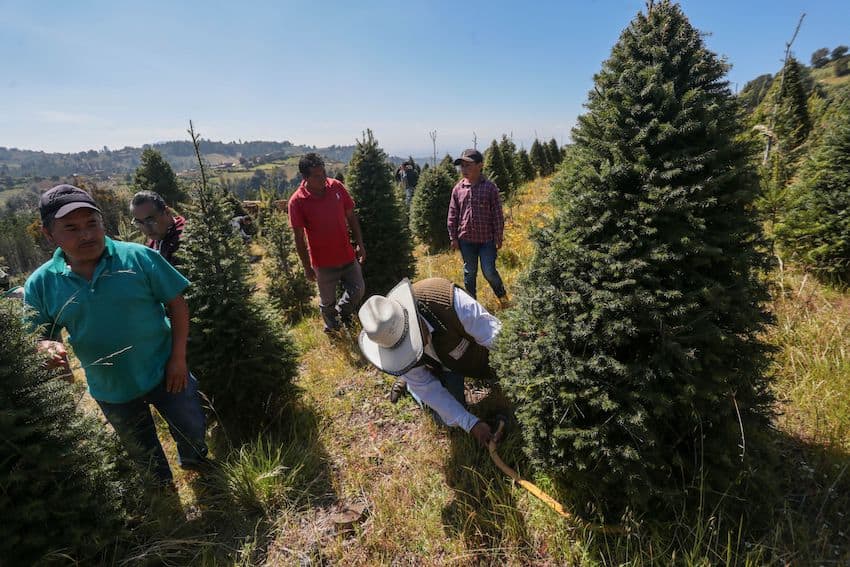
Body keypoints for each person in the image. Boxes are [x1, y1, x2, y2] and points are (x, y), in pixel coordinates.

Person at [24, 184, 208, 486]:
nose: (87, 235)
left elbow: (177, 305)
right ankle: (163, 493)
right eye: (71, 228)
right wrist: (45, 346)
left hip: (165, 370)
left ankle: (196, 464)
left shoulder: (138, 257)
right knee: (144, 454)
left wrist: (178, 359)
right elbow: (38, 335)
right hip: (111, 388)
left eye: (92, 223)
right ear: (49, 234)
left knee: (192, 427)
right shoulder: (41, 283)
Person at [357, 277, 502, 447]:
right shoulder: (390, 342)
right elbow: (429, 391)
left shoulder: (450, 302)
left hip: (470, 353)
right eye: (403, 351)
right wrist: (471, 424)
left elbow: (497, 339)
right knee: (445, 418)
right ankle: (410, 384)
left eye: (411, 343)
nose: (410, 354)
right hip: (441, 367)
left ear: (414, 317)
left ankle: (409, 380)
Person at [289, 153, 366, 333]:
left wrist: (360, 244)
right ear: (305, 177)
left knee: (358, 289)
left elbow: (351, 216)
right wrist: (307, 267)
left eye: (324, 172)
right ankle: (333, 330)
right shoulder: (297, 201)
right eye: (317, 175)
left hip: (347, 256)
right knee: (327, 302)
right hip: (323, 263)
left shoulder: (336, 187)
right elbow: (299, 238)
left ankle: (342, 313)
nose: (323, 178)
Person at [448, 149, 510, 307]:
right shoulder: (458, 189)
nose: (464, 169)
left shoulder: (489, 188)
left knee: (489, 270)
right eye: (462, 166)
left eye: (468, 165)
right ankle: (472, 306)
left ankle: (503, 298)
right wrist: (453, 237)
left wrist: (498, 236)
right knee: (469, 273)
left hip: (487, 241)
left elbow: (497, 214)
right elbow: (453, 214)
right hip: (466, 240)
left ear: (480, 166)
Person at [130, 190, 185, 267]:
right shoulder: (154, 242)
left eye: (150, 221)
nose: (147, 228)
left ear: (167, 212)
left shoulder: (186, 239)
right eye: (139, 222)